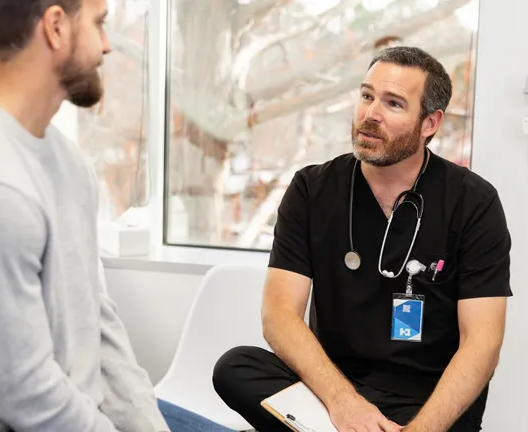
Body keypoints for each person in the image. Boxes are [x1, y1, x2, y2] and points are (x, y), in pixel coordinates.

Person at [0, 0, 232, 431]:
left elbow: (99, 325)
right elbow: (26, 394)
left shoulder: (66, 161)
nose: (108, 46)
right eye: (99, 24)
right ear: (55, 27)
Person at [212, 46, 512, 432]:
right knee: (237, 367)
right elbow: (279, 317)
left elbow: (482, 343)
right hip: (331, 392)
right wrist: (343, 402)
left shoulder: (473, 202)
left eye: (393, 104)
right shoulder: (312, 189)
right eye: (367, 96)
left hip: (426, 402)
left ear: (429, 123)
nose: (370, 114)